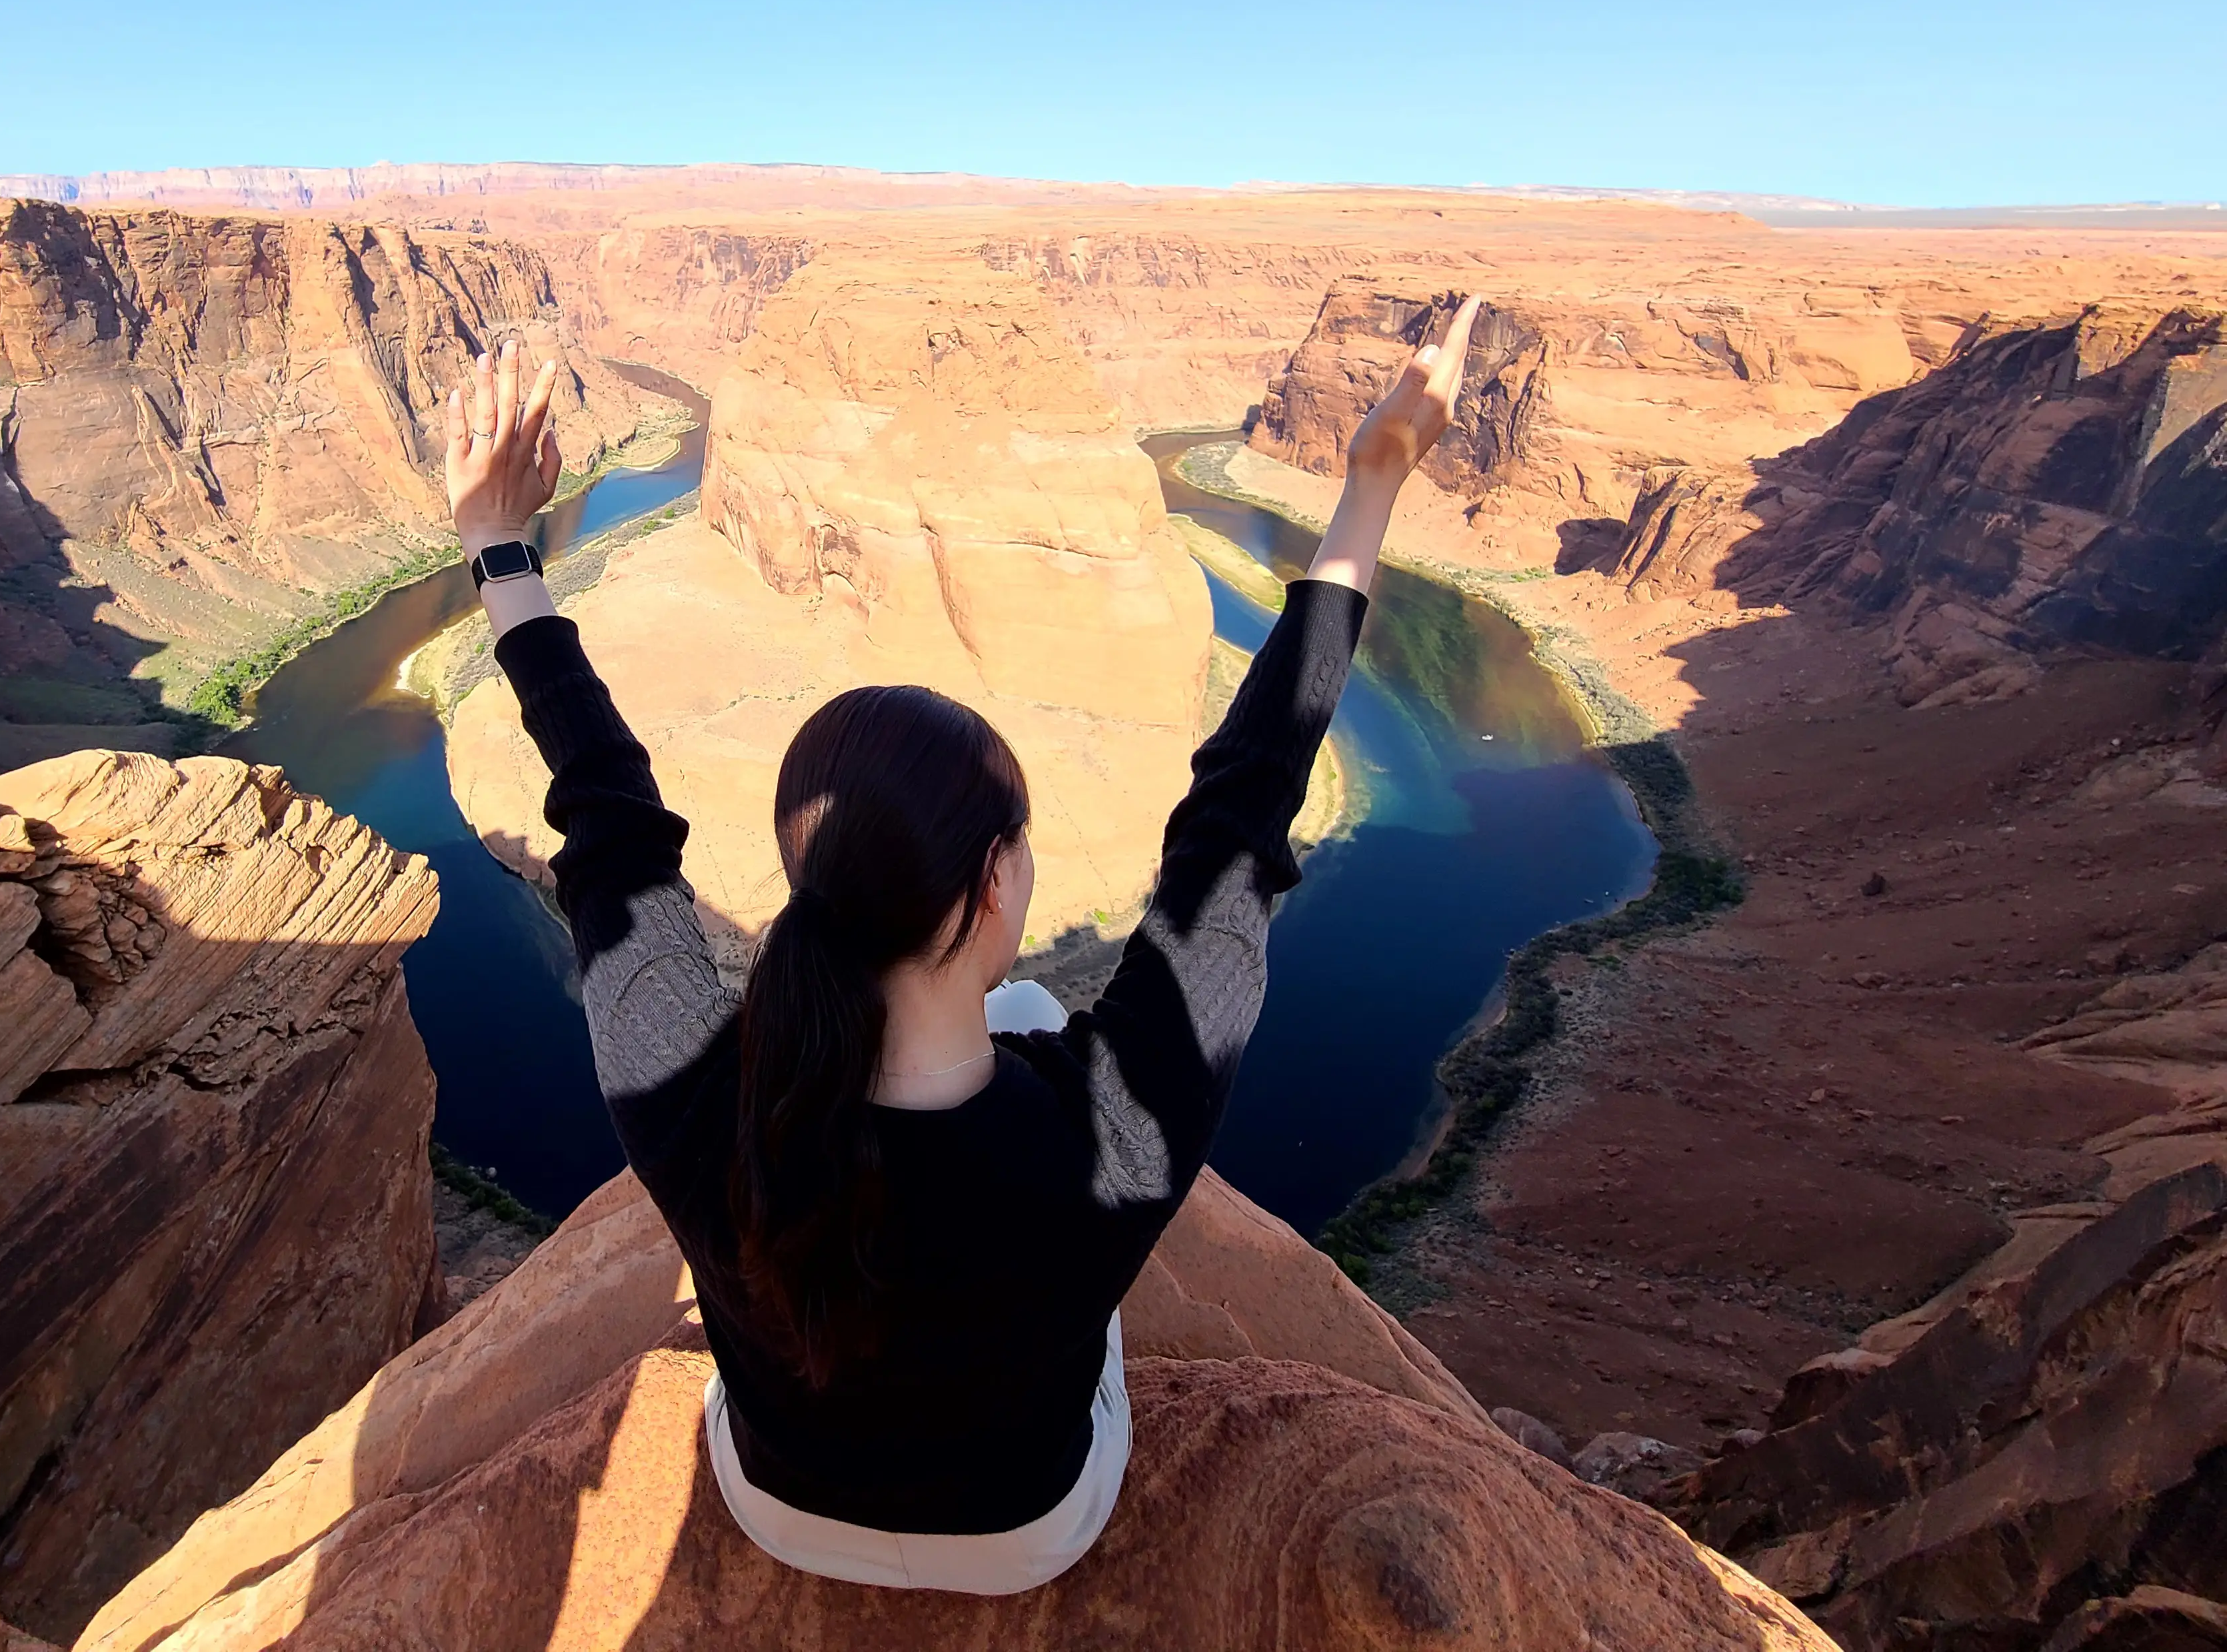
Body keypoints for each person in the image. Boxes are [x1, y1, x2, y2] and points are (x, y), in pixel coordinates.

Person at [443, 302, 1482, 1594]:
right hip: (1028, 1533)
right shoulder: (1114, 1130)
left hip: (775, 1502)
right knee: (1039, 1018)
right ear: (996, 880)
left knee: (1027, 1024)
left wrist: (498, 544)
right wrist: (1373, 482)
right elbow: (1244, 809)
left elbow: (601, 807)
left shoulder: (690, 1097)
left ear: (804, 875)